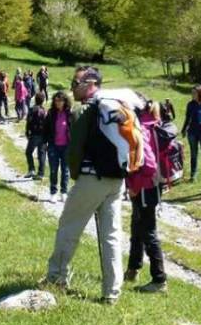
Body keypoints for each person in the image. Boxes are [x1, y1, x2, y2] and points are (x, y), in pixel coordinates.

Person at [43, 67, 126, 304]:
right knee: (110, 235)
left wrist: (76, 173)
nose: (71, 87)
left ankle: (56, 277)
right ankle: (111, 293)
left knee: (69, 227)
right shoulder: (115, 105)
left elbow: (75, 148)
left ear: (90, 83)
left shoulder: (86, 110)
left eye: (75, 82)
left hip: (92, 178)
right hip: (117, 178)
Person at [125, 100, 168, 293]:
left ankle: (159, 279)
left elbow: (148, 166)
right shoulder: (155, 125)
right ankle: (133, 269)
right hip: (154, 185)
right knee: (137, 226)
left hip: (144, 187)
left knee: (148, 230)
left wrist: (134, 186)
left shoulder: (141, 129)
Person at [44, 90, 72, 200]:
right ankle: (53, 192)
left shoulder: (70, 113)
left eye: (60, 101)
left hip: (67, 146)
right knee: (53, 170)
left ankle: (64, 192)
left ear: (65, 101)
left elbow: (74, 129)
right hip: (53, 146)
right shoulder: (51, 113)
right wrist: (44, 143)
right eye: (56, 101)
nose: (58, 103)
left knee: (65, 170)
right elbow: (45, 129)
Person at [181, 85, 201, 182]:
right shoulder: (190, 104)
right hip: (192, 132)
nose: (192, 95)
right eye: (192, 93)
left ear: (200, 93)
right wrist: (183, 129)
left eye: (194, 93)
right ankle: (193, 175)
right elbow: (187, 118)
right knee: (193, 154)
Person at [24, 93, 47, 179]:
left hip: (34, 134)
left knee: (28, 152)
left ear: (35, 99)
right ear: (43, 101)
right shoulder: (44, 111)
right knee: (41, 154)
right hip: (43, 135)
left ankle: (31, 170)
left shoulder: (32, 109)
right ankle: (41, 173)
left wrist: (27, 131)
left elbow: (29, 121)